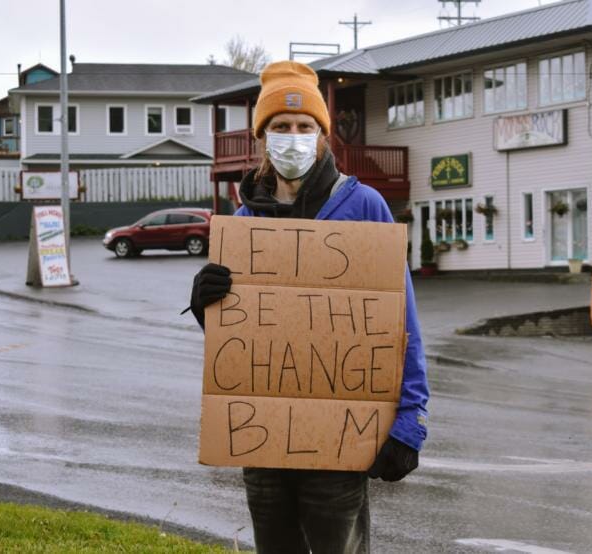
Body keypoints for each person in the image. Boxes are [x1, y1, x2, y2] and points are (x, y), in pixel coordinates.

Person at [188, 61, 429, 554]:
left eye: (303, 127)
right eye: (280, 127)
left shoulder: (364, 207)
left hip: (339, 444)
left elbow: (402, 320)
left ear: (322, 135)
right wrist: (204, 306)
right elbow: (242, 342)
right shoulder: (244, 220)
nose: (292, 138)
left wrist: (410, 421)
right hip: (262, 442)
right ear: (262, 137)